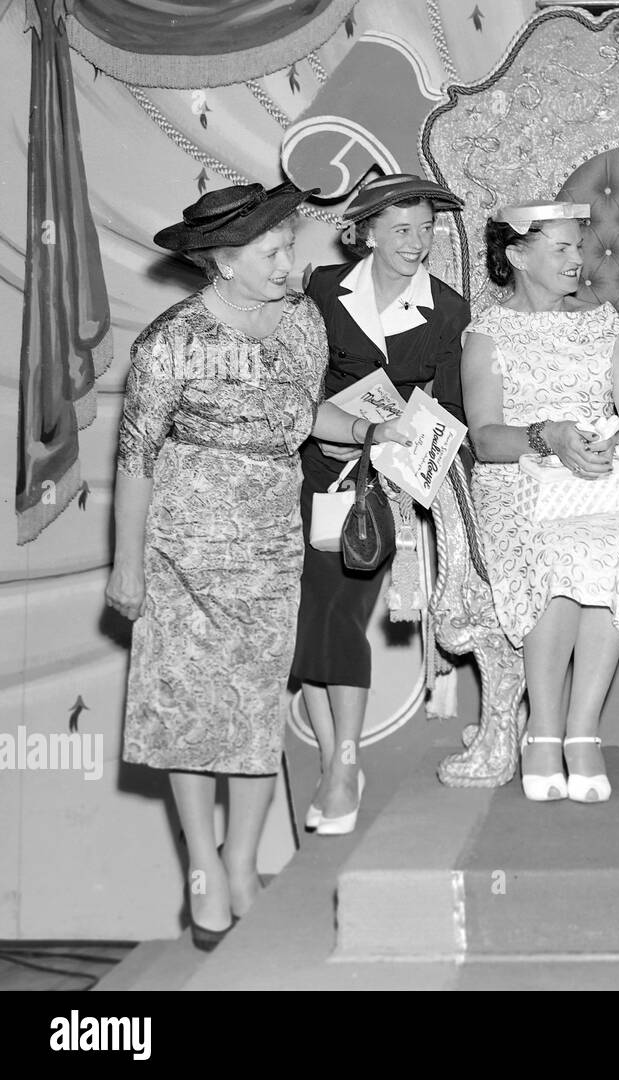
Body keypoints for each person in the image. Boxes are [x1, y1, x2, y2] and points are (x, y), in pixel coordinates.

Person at [106, 181, 409, 948]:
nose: (288, 262)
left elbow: (307, 418)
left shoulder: (302, 324)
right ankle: (203, 865)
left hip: (272, 542)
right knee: (187, 709)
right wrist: (127, 565)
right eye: (272, 252)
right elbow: (135, 456)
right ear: (225, 263)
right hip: (182, 549)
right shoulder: (169, 342)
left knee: (251, 707)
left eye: (285, 247)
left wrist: (379, 433)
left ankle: (243, 861)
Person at [461, 202, 619, 803]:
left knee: (609, 545)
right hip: (519, 480)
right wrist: (546, 436)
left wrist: (607, 441)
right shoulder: (487, 334)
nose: (578, 260)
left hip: (602, 476)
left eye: (580, 247)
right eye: (562, 249)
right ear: (518, 256)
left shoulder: (604, 321)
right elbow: (485, 438)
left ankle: (582, 732)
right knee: (555, 552)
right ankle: (543, 734)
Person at [291, 173, 471, 837]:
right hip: (306, 472)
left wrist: (400, 450)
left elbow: (451, 410)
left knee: (337, 606)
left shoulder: (448, 312)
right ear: (362, 232)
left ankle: (343, 762)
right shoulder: (316, 291)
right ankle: (341, 757)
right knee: (307, 611)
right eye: (401, 229)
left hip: (384, 487)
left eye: (426, 229)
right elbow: (289, 383)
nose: (416, 243)